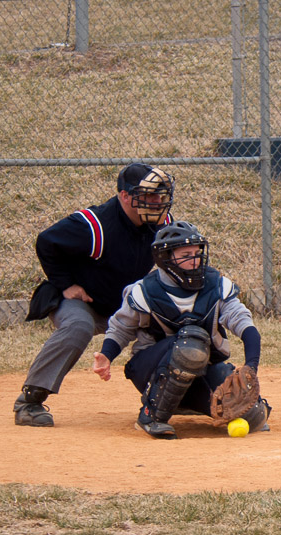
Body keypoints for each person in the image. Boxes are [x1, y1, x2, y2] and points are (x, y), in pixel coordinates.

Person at [14, 163, 175, 427]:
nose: (157, 202)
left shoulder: (161, 224)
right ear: (125, 196)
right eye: (149, 195)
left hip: (124, 305)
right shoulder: (94, 225)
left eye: (160, 195)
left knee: (173, 323)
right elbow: (46, 242)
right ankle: (30, 400)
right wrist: (65, 284)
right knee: (79, 326)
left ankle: (177, 397)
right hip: (84, 302)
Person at [91, 221, 271, 440]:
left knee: (253, 415)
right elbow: (121, 328)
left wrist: (251, 367)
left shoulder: (216, 286)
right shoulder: (144, 291)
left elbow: (245, 325)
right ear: (165, 258)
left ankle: (187, 402)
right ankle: (151, 415)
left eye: (197, 254)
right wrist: (107, 355)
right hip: (150, 370)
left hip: (201, 369)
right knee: (191, 342)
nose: (195, 260)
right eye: (186, 255)